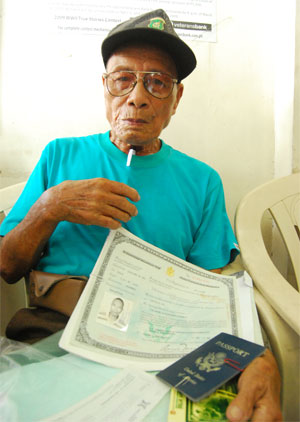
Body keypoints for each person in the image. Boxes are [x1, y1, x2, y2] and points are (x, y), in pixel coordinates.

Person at [0, 9, 282, 421]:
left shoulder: (202, 181)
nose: (136, 96)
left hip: (164, 347)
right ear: (105, 87)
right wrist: (51, 206)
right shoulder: (60, 155)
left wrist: (257, 354)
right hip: (53, 336)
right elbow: (8, 266)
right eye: (122, 79)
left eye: (157, 82)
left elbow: (216, 292)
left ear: (176, 99)